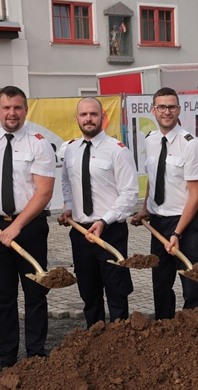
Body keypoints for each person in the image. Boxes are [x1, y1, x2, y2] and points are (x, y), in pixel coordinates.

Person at [0, 86, 55, 372]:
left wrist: (17, 226)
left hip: (29, 229)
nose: (12, 113)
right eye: (6, 108)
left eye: (17, 108)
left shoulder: (38, 144)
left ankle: (36, 353)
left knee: (35, 292)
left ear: (25, 110)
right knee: (1, 295)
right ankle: (6, 357)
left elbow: (44, 192)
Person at [58, 98, 138, 327]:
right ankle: (95, 337)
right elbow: (66, 182)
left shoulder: (117, 150)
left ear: (102, 117)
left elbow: (129, 193)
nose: (88, 119)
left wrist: (104, 221)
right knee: (88, 292)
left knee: (117, 291)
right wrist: (68, 206)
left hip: (110, 232)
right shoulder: (70, 149)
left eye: (93, 114)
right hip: (81, 233)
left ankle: (120, 338)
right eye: (84, 115)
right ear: (77, 118)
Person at [131, 87, 198, 320]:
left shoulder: (190, 144)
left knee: (192, 282)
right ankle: (164, 329)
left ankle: (194, 329)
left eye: (171, 107)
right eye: (162, 107)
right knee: (161, 284)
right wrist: (146, 209)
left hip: (186, 223)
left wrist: (177, 233)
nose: (167, 111)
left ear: (179, 110)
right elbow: (153, 179)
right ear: (153, 110)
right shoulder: (151, 140)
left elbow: (195, 196)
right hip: (158, 223)